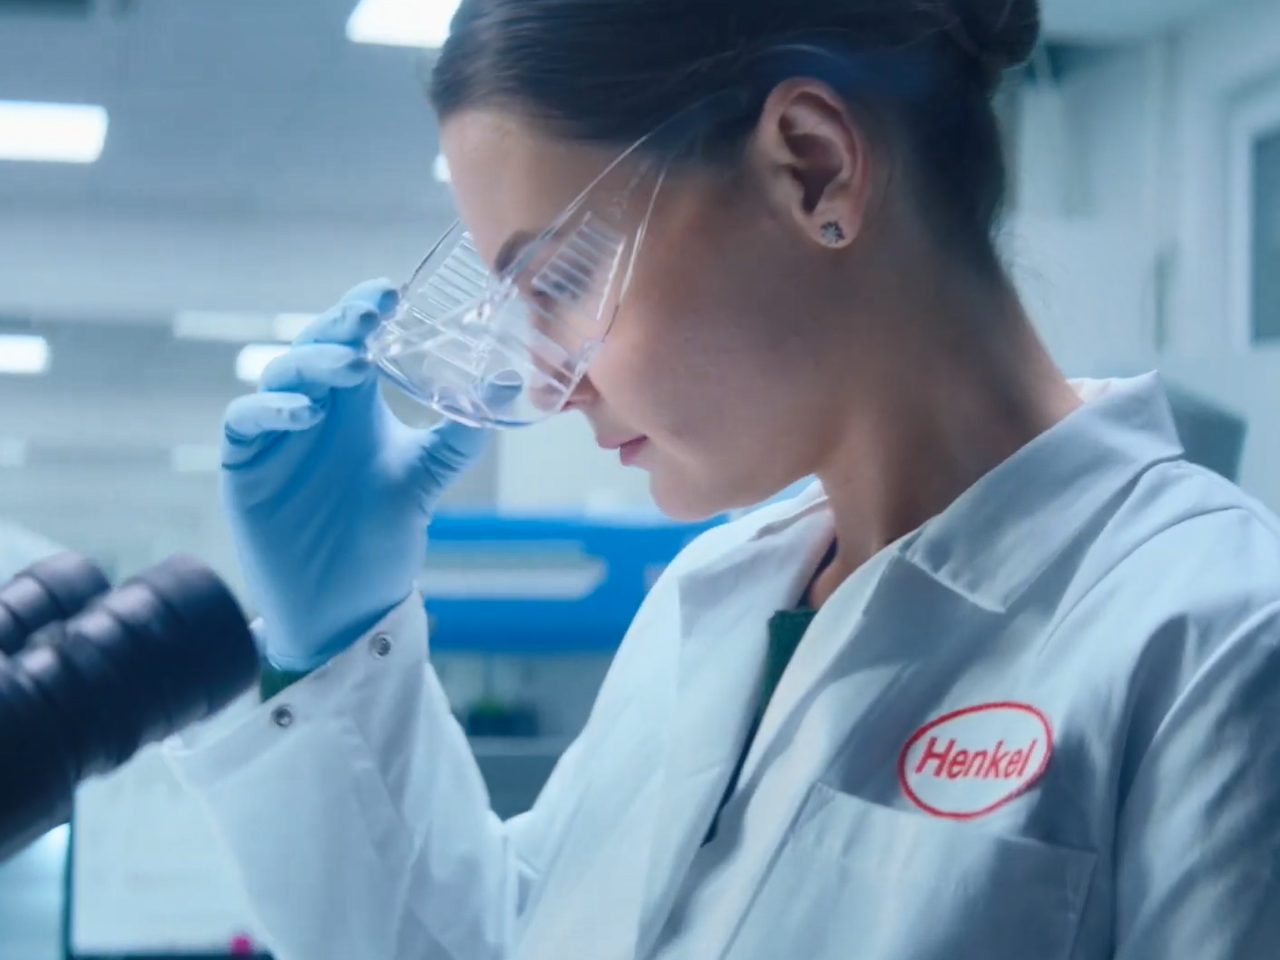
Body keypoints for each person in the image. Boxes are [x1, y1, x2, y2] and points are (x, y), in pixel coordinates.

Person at [165, 0, 1280, 957]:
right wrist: (338, 640)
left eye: (555, 277)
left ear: (813, 168)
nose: (549, 386)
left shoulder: (1213, 640)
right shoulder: (711, 604)